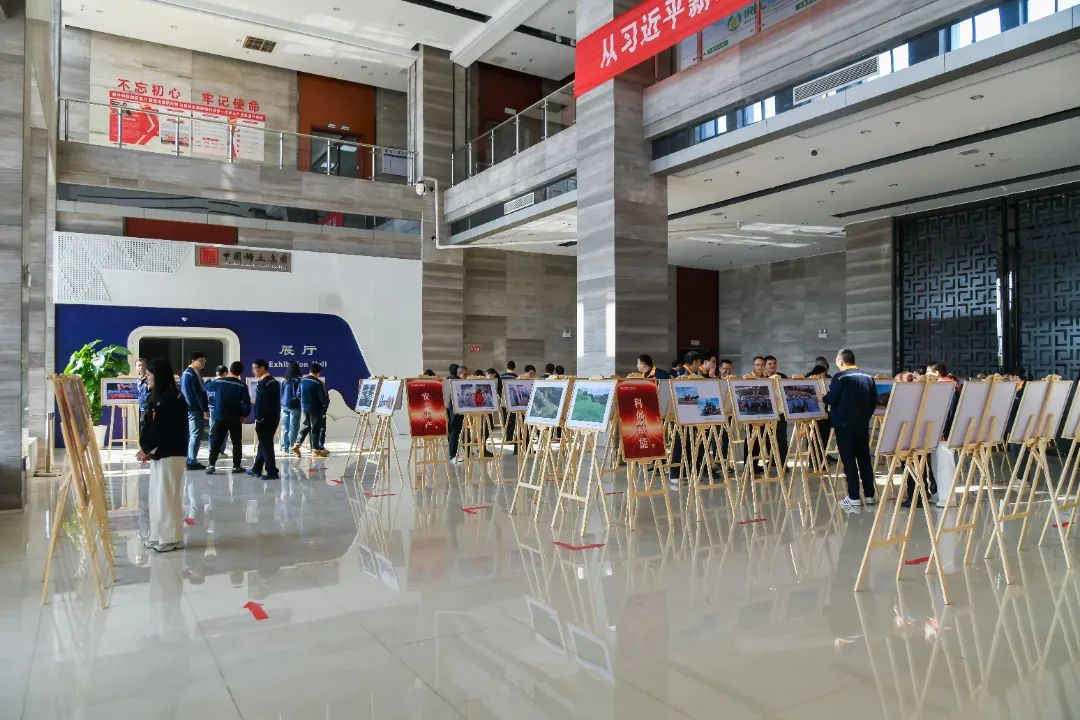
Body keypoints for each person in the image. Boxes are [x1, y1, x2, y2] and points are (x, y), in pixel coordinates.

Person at [137, 358, 189, 553]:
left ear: (158, 376)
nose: (147, 379)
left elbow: (162, 429)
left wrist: (147, 449)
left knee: (168, 497)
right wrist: (149, 450)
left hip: (172, 452)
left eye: (149, 375)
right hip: (161, 453)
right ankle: (158, 535)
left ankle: (171, 538)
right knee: (157, 496)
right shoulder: (160, 397)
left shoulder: (172, 398)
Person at [822, 349, 877, 512]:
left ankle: (853, 497)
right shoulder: (868, 377)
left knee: (849, 460)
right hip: (862, 424)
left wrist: (822, 397)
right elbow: (874, 401)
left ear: (841, 362)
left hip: (844, 425)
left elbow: (832, 398)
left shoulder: (840, 377)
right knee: (864, 459)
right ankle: (870, 495)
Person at [206, 361, 250, 475]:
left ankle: (211, 465)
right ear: (240, 372)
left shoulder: (218, 382)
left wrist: (209, 381)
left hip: (220, 417)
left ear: (230, 370)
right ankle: (236, 466)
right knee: (236, 442)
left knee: (216, 441)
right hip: (235, 418)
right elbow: (246, 404)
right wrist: (244, 415)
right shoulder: (241, 385)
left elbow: (207, 387)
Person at [250, 359, 281, 480]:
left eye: (255, 368)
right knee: (263, 444)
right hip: (271, 417)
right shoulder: (271, 381)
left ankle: (272, 471)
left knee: (266, 445)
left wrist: (260, 417)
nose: (253, 371)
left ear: (262, 368)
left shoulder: (266, 383)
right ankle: (256, 469)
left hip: (265, 419)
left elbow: (264, 404)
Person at [293, 363, 330, 457]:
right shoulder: (318, 383)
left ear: (310, 370)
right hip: (316, 409)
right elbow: (324, 399)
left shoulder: (302, 381)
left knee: (305, 426)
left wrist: (304, 403)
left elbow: (298, 394)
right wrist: (324, 409)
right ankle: (315, 450)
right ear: (319, 372)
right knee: (315, 429)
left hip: (304, 408)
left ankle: (297, 445)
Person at [180, 352, 209, 470]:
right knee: (196, 434)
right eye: (201, 361)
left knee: (193, 433)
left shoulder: (188, 373)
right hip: (194, 408)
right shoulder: (192, 374)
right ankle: (191, 460)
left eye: (204, 361)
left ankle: (190, 458)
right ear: (193, 361)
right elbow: (198, 393)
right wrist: (205, 409)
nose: (203, 363)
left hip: (190, 407)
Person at [279, 362, 302, 453]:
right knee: (294, 427)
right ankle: (292, 446)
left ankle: (284, 447)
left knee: (284, 427)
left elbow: (280, 393)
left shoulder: (283, 380)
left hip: (284, 406)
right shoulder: (299, 380)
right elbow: (299, 394)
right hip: (295, 406)